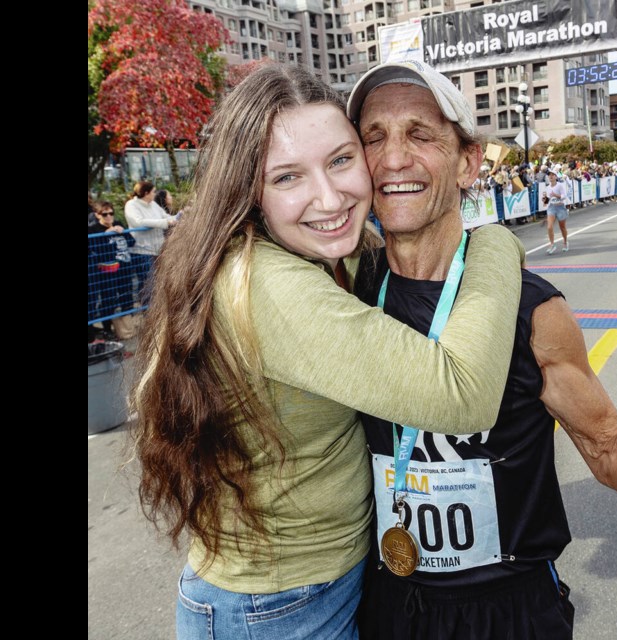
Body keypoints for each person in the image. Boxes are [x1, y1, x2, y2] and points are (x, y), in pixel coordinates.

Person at [129, 63, 526, 640]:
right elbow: (460, 393)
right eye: (287, 177)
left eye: (341, 160)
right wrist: (491, 243)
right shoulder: (269, 284)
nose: (329, 195)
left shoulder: (315, 254)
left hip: (305, 590)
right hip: (278, 610)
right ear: (249, 192)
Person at [345, 59, 617, 640]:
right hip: (389, 605)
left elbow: (608, 447)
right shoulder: (345, 294)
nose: (394, 158)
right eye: (374, 138)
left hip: (512, 610)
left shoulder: (531, 308)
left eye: (420, 135)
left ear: (468, 162)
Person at [87, 201, 137, 340]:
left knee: (126, 296)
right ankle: (107, 328)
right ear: (98, 215)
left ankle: (127, 327)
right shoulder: (93, 229)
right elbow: (95, 249)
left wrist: (123, 231)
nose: (109, 217)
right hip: (107, 270)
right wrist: (105, 233)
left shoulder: (118, 223)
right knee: (108, 299)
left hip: (124, 267)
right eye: (105, 214)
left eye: (111, 213)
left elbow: (132, 242)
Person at [124, 180, 179, 303]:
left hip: (157, 250)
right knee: (148, 284)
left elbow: (165, 217)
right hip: (142, 251)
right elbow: (138, 222)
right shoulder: (131, 205)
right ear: (146, 193)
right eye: (153, 192)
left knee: (158, 283)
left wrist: (179, 216)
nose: (155, 194)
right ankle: (146, 311)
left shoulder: (153, 205)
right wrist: (164, 223)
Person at [543, 168, 569, 254]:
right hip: (551, 207)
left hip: (560, 207)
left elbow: (564, 196)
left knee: (562, 227)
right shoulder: (547, 187)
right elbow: (547, 200)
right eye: (549, 175)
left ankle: (565, 242)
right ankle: (552, 244)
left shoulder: (560, 185)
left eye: (552, 175)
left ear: (555, 177)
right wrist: (544, 200)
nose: (550, 176)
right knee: (549, 227)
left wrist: (556, 195)